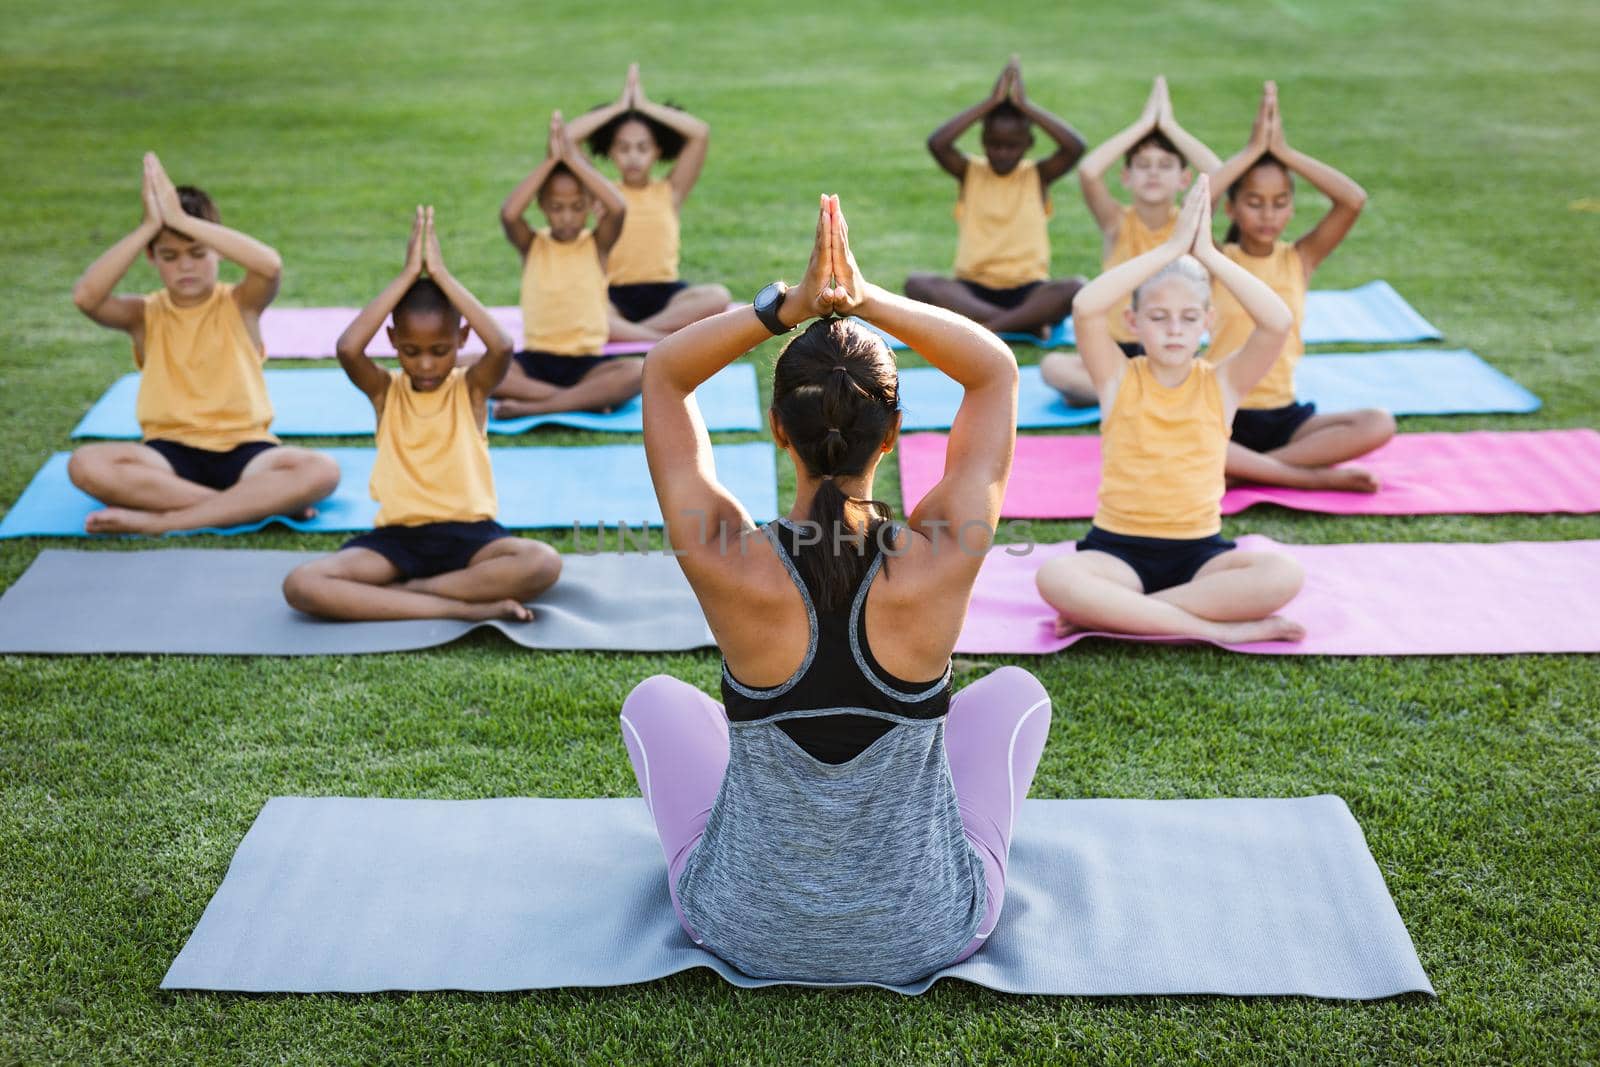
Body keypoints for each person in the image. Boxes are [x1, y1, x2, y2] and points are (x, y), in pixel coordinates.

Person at [620, 195, 1052, 984]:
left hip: (741, 924)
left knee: (655, 699)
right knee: (1018, 693)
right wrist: (865, 297)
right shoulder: (939, 555)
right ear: (891, 434)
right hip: (929, 926)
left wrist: (784, 308)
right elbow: (994, 370)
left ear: (778, 429)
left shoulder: (726, 558)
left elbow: (663, 373)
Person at [1035, 178, 1305, 644]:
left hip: (1201, 557)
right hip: (1117, 554)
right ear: (1134, 323)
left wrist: (1209, 255)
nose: (1174, 330)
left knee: (1284, 572)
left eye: (1188, 318)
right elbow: (1084, 307)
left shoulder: (1223, 382)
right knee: (1054, 576)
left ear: (1208, 322)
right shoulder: (1117, 378)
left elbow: (1277, 321)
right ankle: (1224, 629)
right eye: (1159, 318)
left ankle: (1119, 616)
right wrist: (1171, 248)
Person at [282, 207, 560, 622]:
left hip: (472, 539)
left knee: (543, 562)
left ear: (461, 338)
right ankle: (458, 607)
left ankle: (407, 595)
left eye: (440, 350)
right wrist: (408, 275)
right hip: (397, 544)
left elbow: (501, 346)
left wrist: (442, 275)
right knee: (301, 584)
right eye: (411, 352)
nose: (426, 365)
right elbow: (347, 348)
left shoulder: (471, 388)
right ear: (393, 341)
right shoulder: (384, 391)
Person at [67, 153, 339, 534]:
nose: (186, 266)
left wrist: (179, 220)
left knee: (321, 470)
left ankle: (163, 520)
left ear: (219, 251)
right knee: (85, 464)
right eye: (170, 256)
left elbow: (270, 265)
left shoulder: (241, 304)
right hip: (167, 456)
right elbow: (86, 297)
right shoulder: (143, 315)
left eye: (198, 253)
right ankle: (254, 507)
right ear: (152, 257)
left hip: (248, 453)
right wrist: (150, 225)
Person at [1205, 82, 1394, 491]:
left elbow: (1352, 200)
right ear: (1233, 208)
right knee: (1175, 438)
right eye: (1255, 202)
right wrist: (1252, 151)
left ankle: (1247, 472)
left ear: (1292, 206)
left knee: (1378, 422)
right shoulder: (1215, 260)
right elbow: (1196, 202)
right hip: (1224, 413)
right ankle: (1308, 478)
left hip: (1284, 418)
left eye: (1280, 202)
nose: (1268, 214)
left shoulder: (1300, 259)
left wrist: (1285, 152)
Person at [1041, 76, 1222, 405]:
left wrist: (1168, 126)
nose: (1153, 173)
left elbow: (1218, 172)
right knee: (1053, 367)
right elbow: (1089, 172)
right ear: (1126, 177)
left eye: (1165, 166)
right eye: (1143, 165)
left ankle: (1132, 393)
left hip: (1170, 342)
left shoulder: (1191, 220)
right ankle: (1143, 393)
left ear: (1185, 179)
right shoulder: (1116, 223)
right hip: (1117, 348)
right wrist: (1142, 126)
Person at [905, 56, 1087, 339]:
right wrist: (989, 103)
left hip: (1029, 290)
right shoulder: (970, 172)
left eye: (1012, 146)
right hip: (971, 289)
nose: (1002, 153)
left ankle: (989, 326)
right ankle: (1022, 323)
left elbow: (1075, 147)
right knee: (917, 284)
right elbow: (937, 143)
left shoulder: (1038, 175)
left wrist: (1026, 107)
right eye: (994, 145)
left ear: (1028, 144)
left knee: (1076, 288)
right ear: (983, 142)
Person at [564, 63, 731, 343]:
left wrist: (643, 105)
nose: (633, 157)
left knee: (717, 296)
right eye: (623, 147)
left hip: (666, 294)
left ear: (657, 152)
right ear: (611, 151)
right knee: (580, 305)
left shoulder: (670, 190)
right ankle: (660, 337)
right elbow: (567, 138)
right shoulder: (602, 192)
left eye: (642, 148)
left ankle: (637, 335)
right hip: (614, 293)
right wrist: (619, 107)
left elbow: (700, 132)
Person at [494, 111, 642, 419]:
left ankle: (540, 406)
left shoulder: (597, 245)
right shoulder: (532, 244)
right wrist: (551, 161)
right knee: (476, 366)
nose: (567, 217)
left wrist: (572, 159)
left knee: (639, 371)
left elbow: (617, 206)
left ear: (589, 206)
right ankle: (580, 401)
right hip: (535, 361)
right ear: (543, 207)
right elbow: (509, 213)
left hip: (586, 364)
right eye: (557, 208)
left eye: (577, 208)